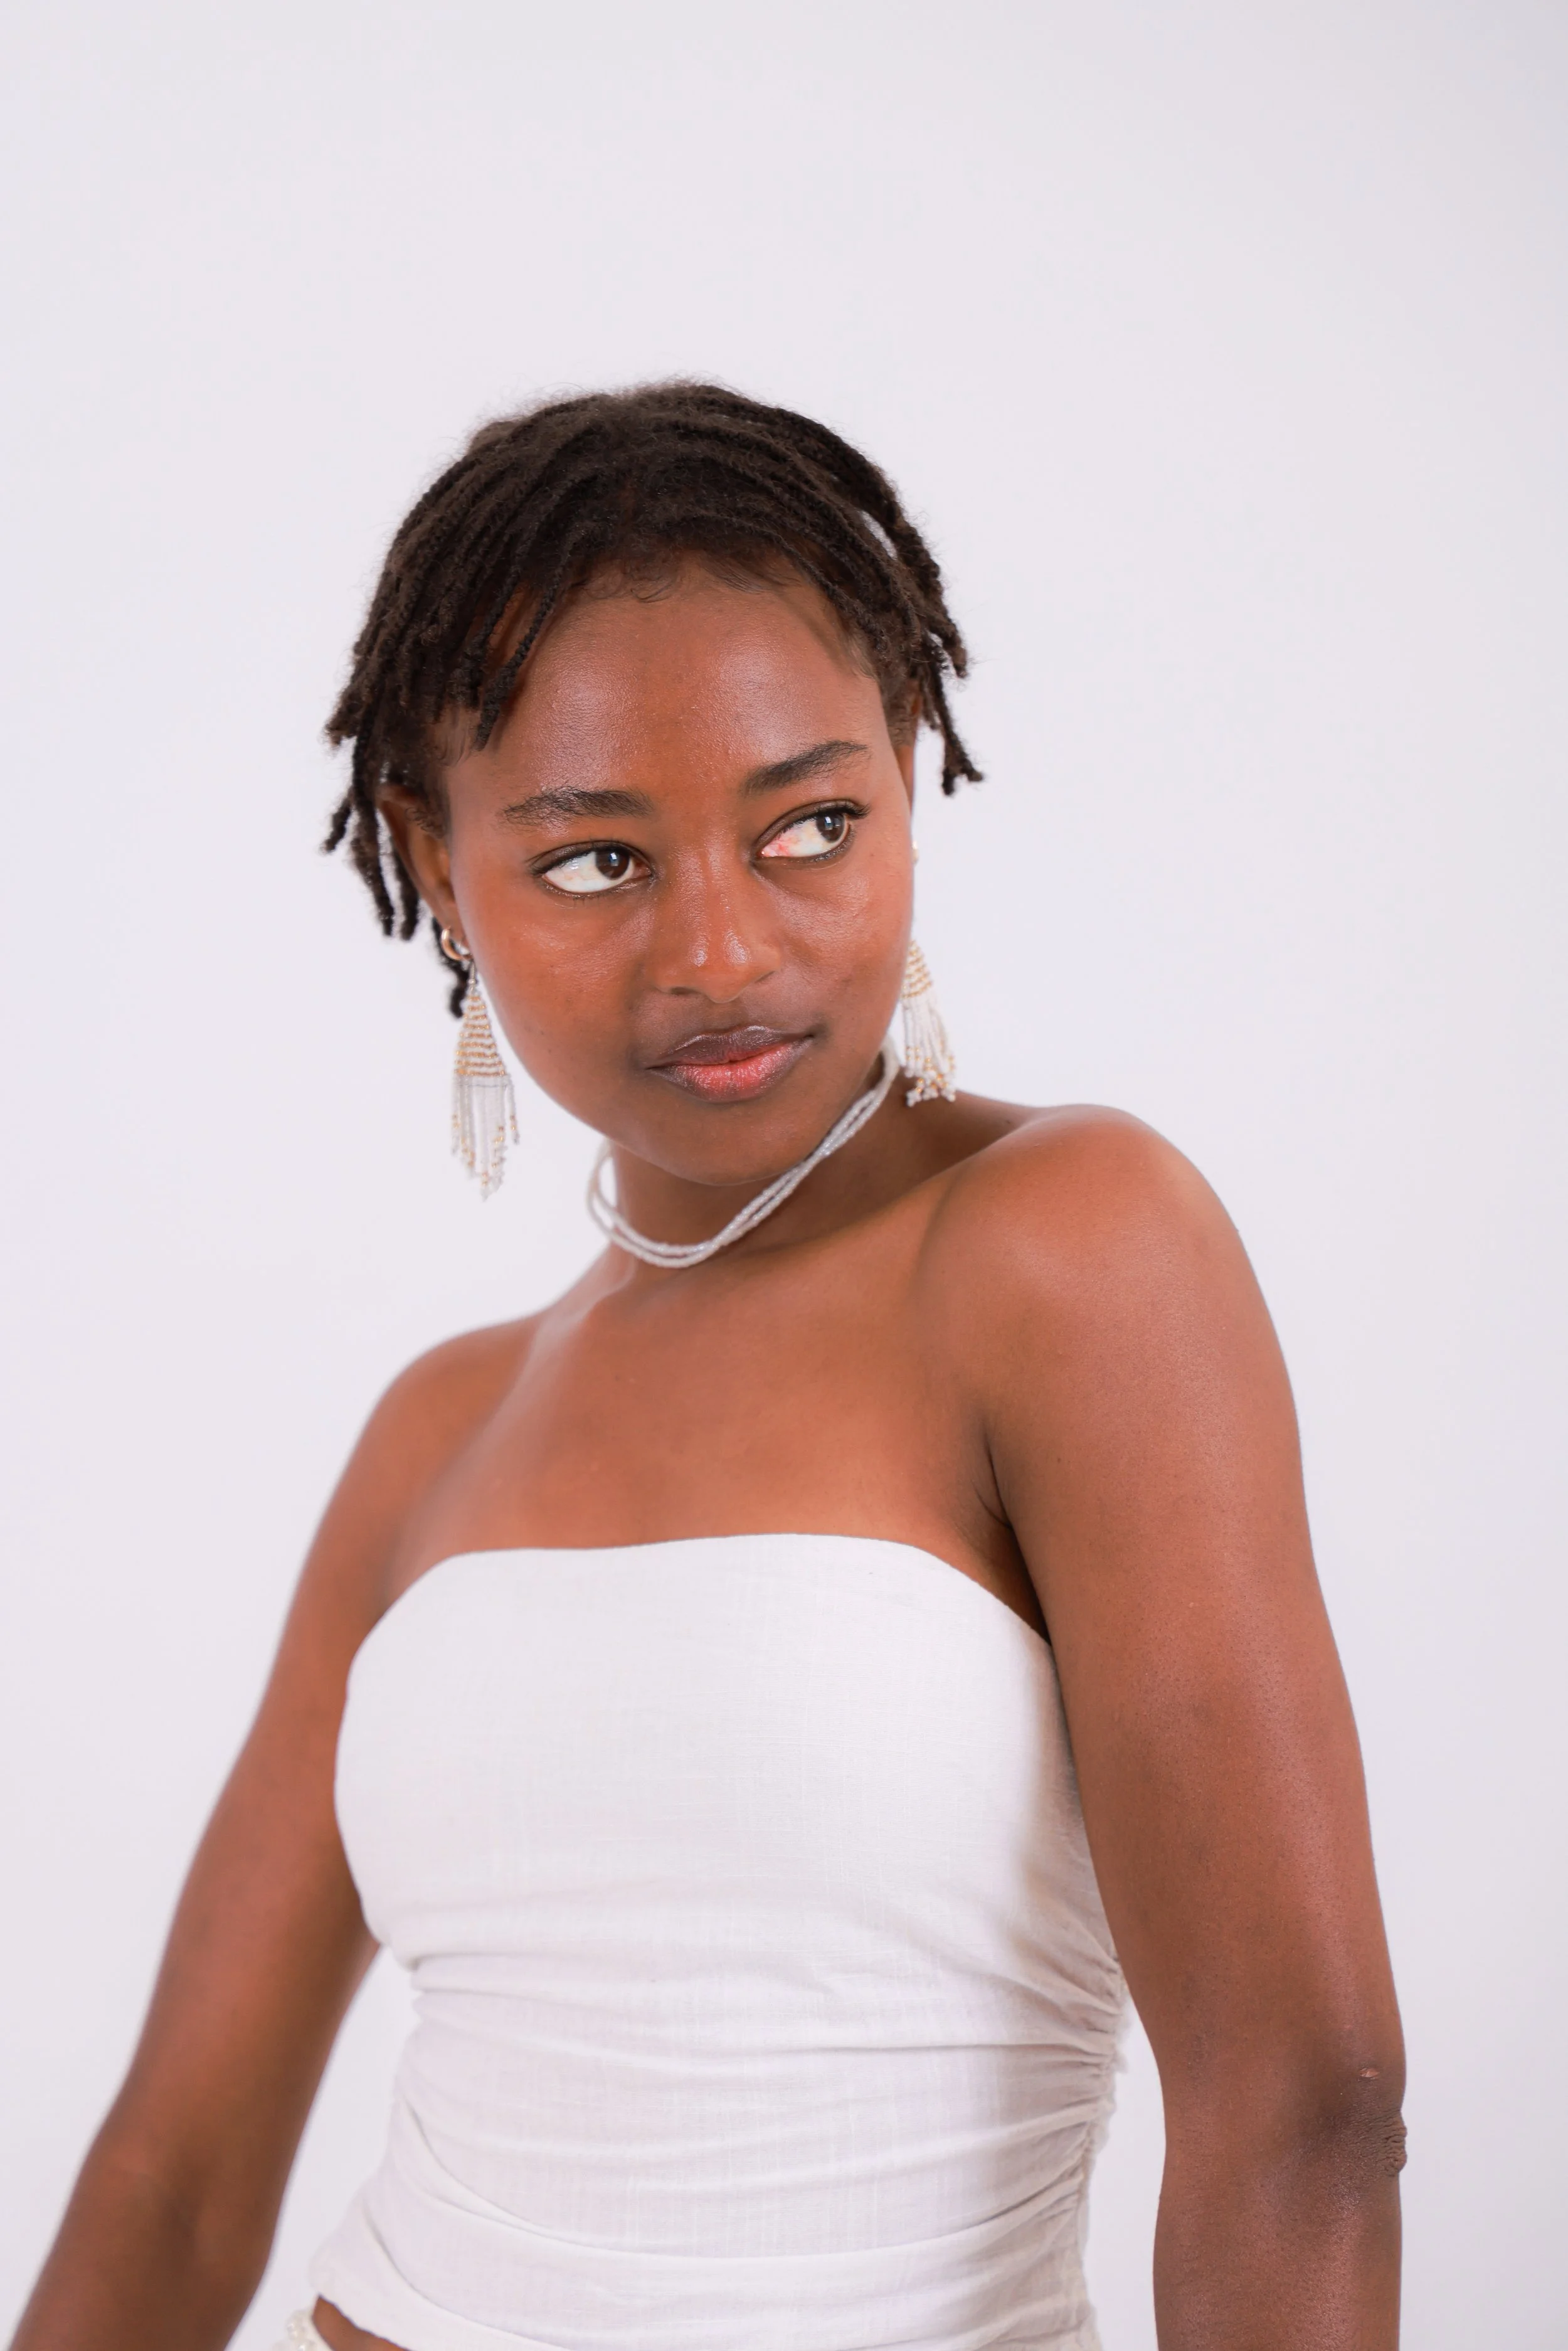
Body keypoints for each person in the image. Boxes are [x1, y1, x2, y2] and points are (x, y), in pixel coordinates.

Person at [11, 383, 1405, 2351]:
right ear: (430, 848)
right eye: (597, 861)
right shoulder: (439, 1423)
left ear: (909, 772)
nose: (723, 951)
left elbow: (1301, 2112)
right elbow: (170, 2179)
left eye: (809, 825)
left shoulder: (1069, 1249)